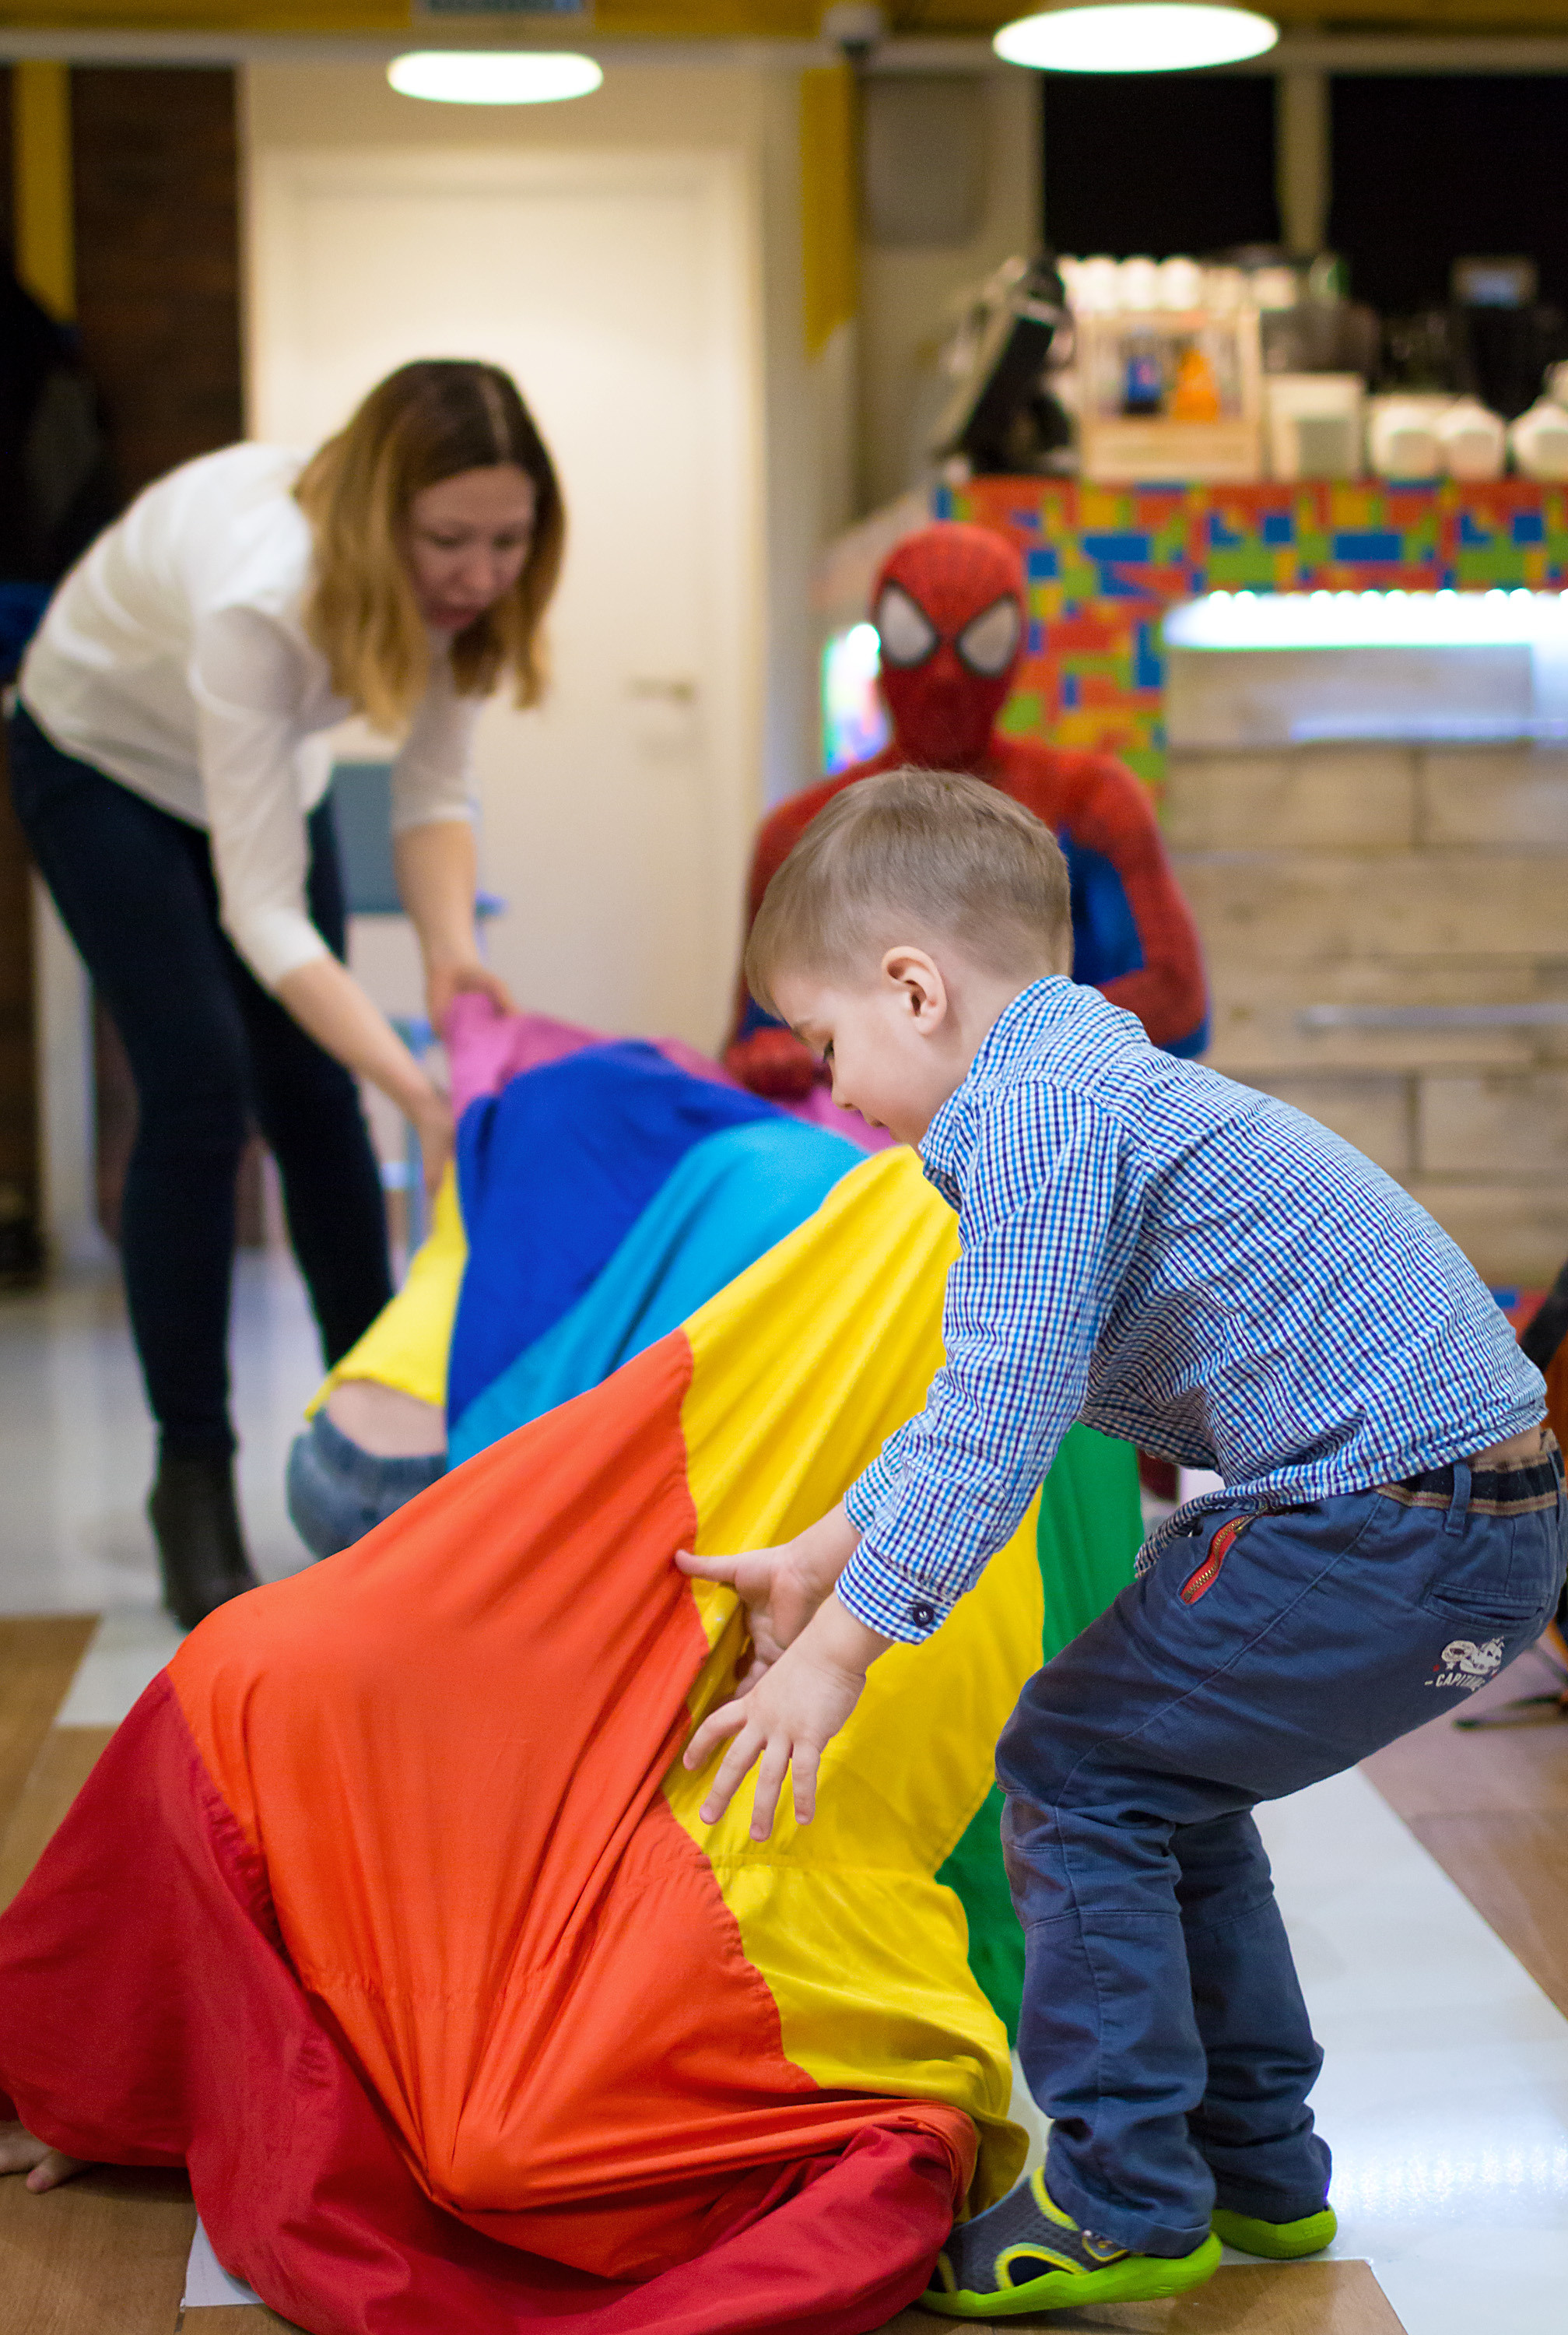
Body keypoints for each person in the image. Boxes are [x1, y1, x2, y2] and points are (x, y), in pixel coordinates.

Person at [681, 767, 1564, 2316]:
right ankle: (1253, 2170)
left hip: (1378, 1520)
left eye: (824, 1046)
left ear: (914, 990)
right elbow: (984, 1394)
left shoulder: (1035, 1115)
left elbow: (1001, 1411)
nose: (834, 1090)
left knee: (1074, 1766)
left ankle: (1120, 2197)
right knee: (1162, 1781)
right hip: (1473, 1522)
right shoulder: (1087, 1086)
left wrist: (837, 1657)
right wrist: (826, 1549)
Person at [9, 360, 563, 1630]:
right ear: (380, 516)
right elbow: (260, 914)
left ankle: (375, 1439)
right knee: (201, 1089)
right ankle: (192, 1475)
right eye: (448, 541)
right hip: (98, 762)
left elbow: (431, 795)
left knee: (313, 1093)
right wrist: (416, 1087)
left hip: (256, 773)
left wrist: (450, 958)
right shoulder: (261, 593)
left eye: (509, 540)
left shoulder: (469, 598)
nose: (480, 574)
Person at [724, 521, 1208, 1097]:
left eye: (979, 642)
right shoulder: (798, 835)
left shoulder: (1089, 802)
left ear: (1014, 647)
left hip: (1053, 1114)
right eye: (915, 638)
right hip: (869, 1128)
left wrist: (973, 1054)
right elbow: (756, 1038)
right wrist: (773, 1055)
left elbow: (1177, 998)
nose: (945, 674)